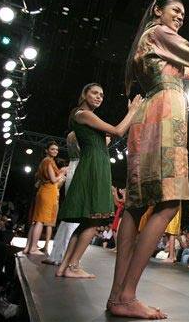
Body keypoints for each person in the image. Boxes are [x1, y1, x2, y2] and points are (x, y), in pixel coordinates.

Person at [108, 0, 189, 320]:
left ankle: (118, 296)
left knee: (136, 204)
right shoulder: (159, 33)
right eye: (175, 10)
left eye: (183, 14)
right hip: (163, 117)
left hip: (149, 117)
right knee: (169, 202)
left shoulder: (155, 43)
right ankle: (128, 294)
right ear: (157, 10)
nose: (179, 17)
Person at [55, 83, 142, 279]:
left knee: (86, 221)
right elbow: (118, 131)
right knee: (94, 220)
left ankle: (65, 266)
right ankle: (74, 266)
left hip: (94, 163)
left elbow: (110, 136)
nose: (99, 97)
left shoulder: (86, 116)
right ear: (84, 94)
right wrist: (133, 111)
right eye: (94, 93)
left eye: (102, 95)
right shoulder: (83, 114)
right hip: (94, 166)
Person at [42, 132, 81, 265]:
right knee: (75, 214)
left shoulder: (70, 135)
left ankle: (57, 254)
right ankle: (63, 256)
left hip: (73, 167)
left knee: (70, 215)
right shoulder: (82, 133)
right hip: (80, 169)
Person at [23, 141, 67, 255]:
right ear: (46, 150)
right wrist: (62, 173)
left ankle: (28, 247)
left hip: (43, 190)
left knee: (36, 220)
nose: (55, 151)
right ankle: (33, 248)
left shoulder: (46, 161)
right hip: (48, 192)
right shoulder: (48, 161)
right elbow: (53, 180)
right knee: (40, 221)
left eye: (56, 149)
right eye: (52, 149)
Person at [110, 187, 126, 252]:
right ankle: (116, 247)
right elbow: (116, 203)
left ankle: (119, 248)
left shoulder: (128, 198)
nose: (123, 190)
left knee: (118, 232)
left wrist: (116, 192)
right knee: (114, 231)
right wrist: (114, 193)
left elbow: (122, 200)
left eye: (125, 190)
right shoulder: (123, 197)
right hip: (118, 215)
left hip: (122, 216)